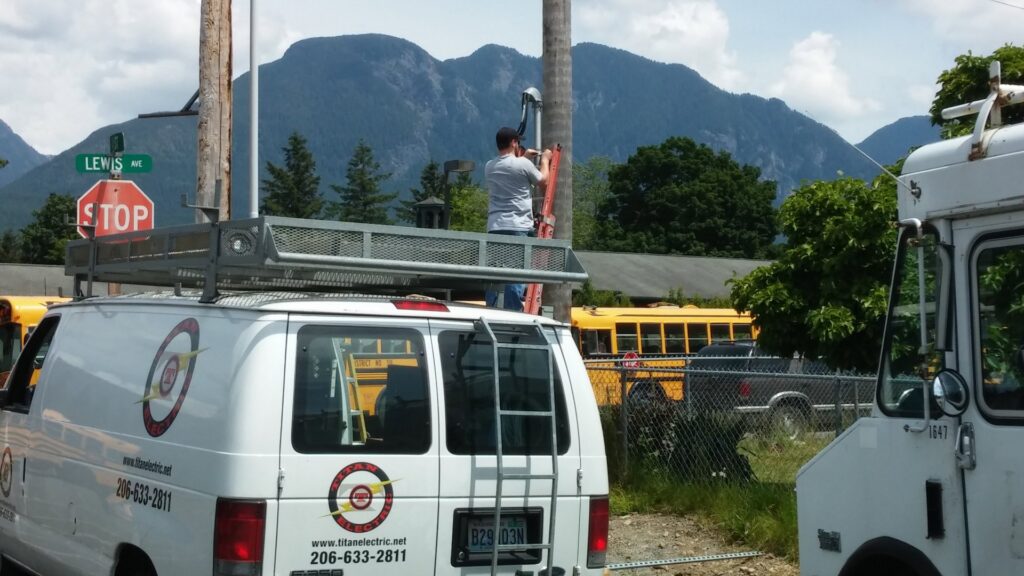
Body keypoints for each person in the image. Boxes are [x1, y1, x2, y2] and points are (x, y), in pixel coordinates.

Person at [484, 126, 552, 311]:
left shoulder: (489, 166)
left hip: (495, 226)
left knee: (496, 270)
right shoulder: (523, 165)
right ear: (514, 143)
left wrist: (524, 158)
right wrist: (545, 160)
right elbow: (543, 181)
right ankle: (514, 311)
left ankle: (492, 307)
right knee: (515, 272)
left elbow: (510, 170)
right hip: (517, 226)